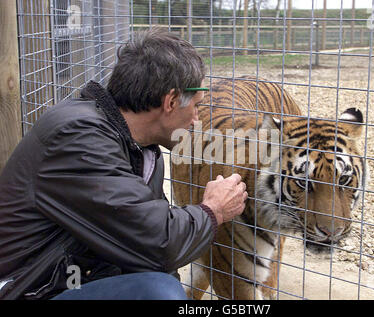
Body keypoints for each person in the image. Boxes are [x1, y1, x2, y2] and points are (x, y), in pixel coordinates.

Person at [0, 28, 247, 300]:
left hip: (71, 279)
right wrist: (213, 210)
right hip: (31, 290)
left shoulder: (141, 147)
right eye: (196, 106)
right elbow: (159, 244)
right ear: (172, 101)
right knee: (158, 293)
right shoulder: (78, 137)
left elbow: (150, 250)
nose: (197, 119)